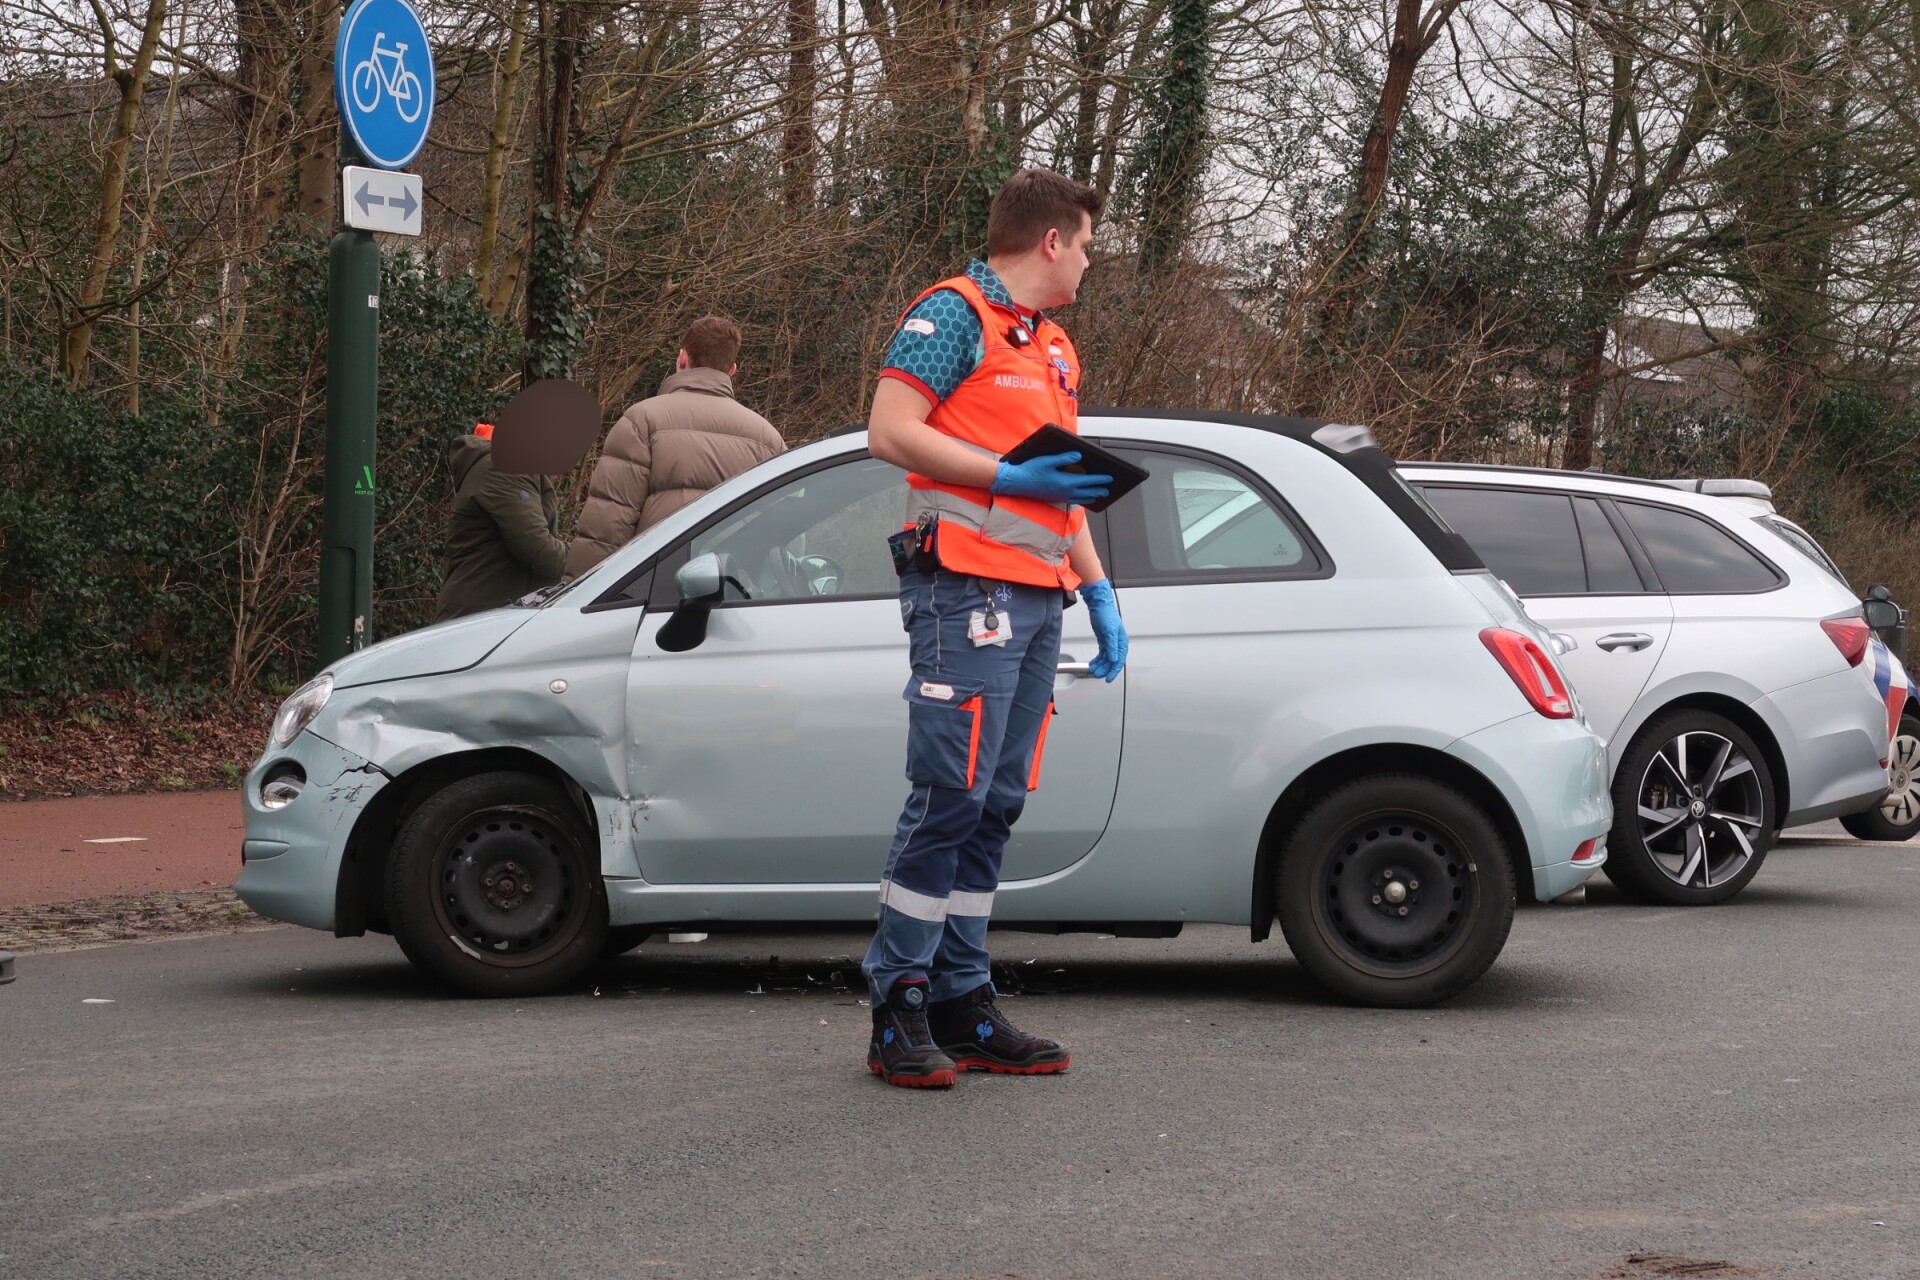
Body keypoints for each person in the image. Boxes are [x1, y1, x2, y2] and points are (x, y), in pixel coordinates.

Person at [859, 167, 1129, 1088]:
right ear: (1051, 241)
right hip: (964, 592)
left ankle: (962, 1000)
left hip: (1041, 597)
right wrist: (1008, 477)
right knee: (949, 798)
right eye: (1086, 244)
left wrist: (1099, 590)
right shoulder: (952, 316)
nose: (1089, 261)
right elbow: (890, 431)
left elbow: (1067, 489)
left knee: (996, 803)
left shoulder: (1053, 347)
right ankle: (898, 1005)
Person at [567, 316, 785, 577]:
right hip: (734, 592)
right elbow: (781, 533)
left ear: (682, 358)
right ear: (732, 370)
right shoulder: (769, 441)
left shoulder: (641, 422)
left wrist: (575, 593)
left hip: (650, 591)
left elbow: (605, 529)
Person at [434, 421, 568, 622]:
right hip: (483, 620)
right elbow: (538, 549)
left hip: (487, 615)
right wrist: (596, 562)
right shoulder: (506, 468)